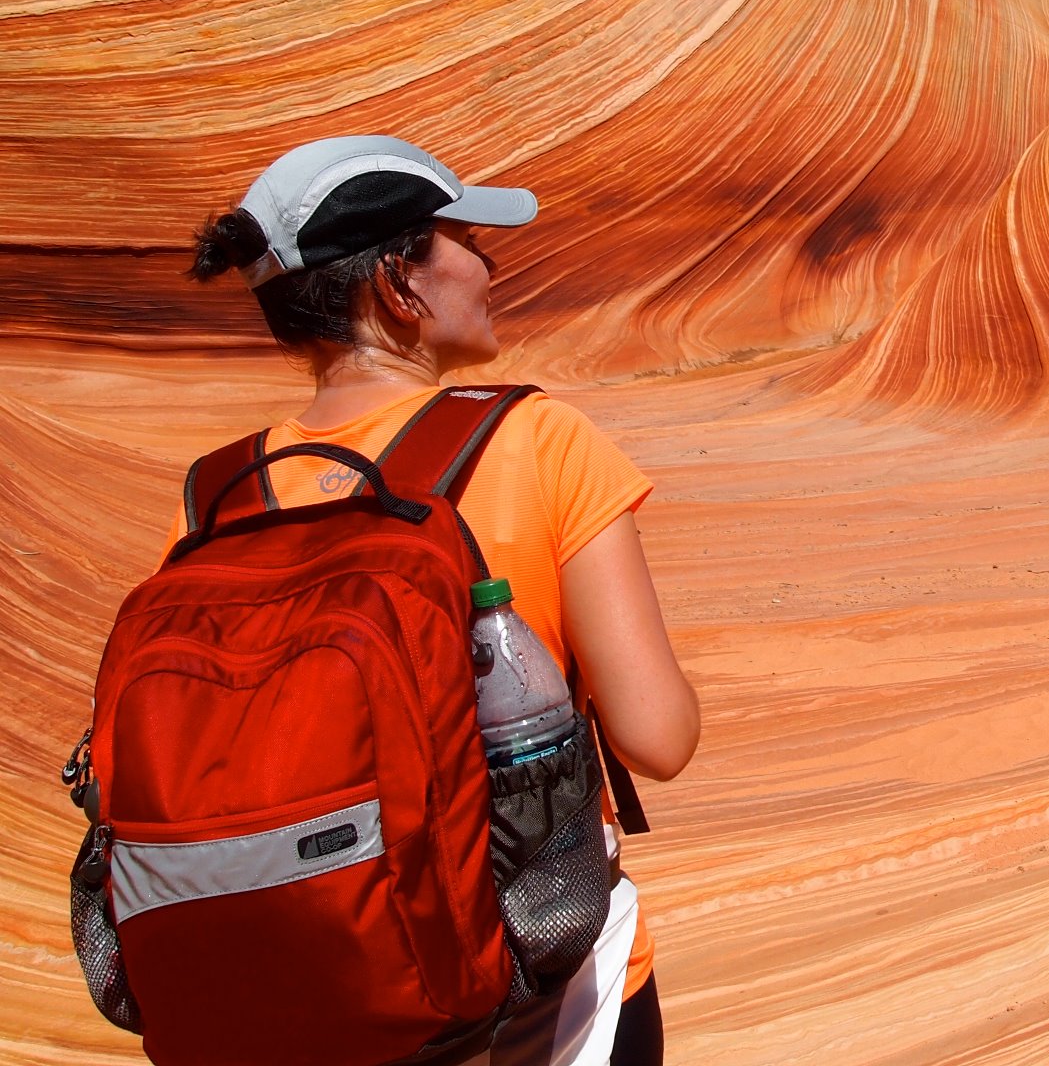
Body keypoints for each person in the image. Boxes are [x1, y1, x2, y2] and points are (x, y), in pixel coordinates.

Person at [166, 134, 699, 1066]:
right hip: (539, 979)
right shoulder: (537, 441)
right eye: (462, 239)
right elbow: (660, 740)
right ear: (398, 286)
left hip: (307, 981)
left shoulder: (221, 493)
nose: (489, 265)